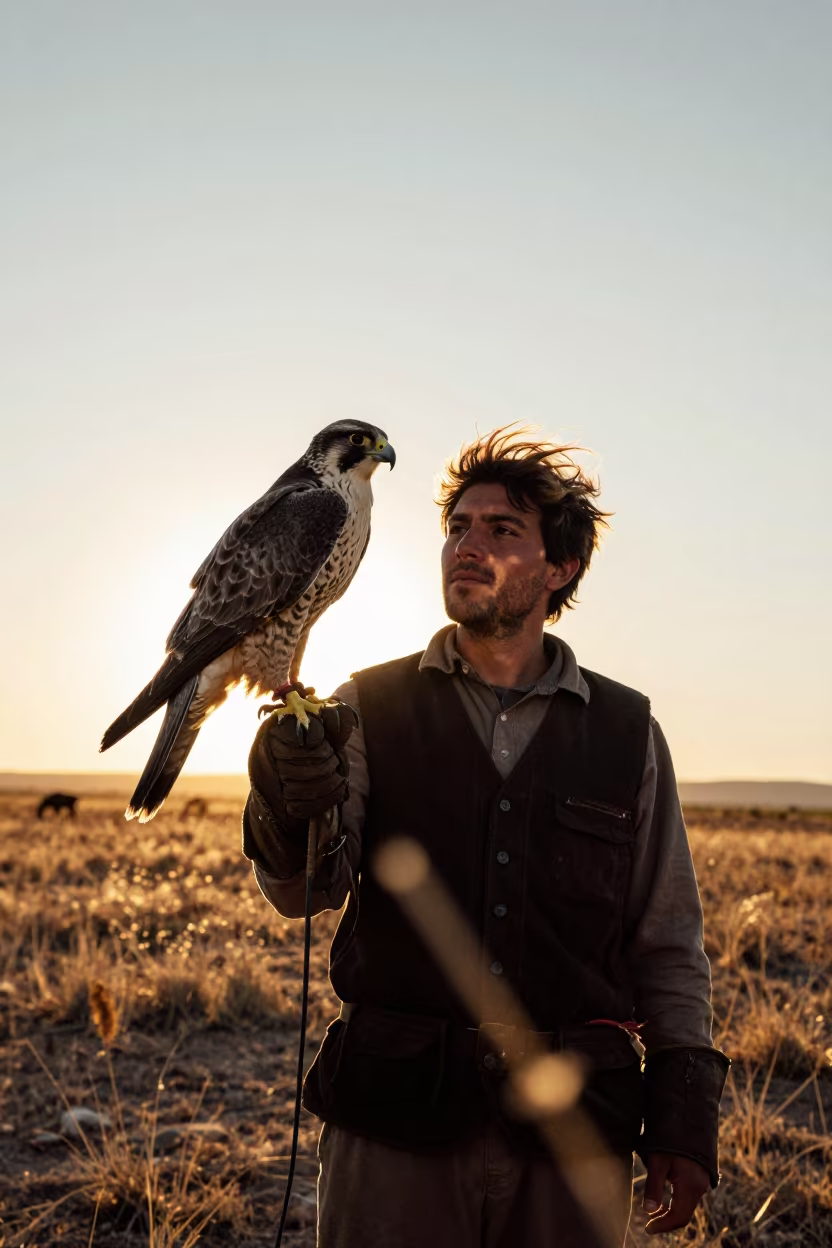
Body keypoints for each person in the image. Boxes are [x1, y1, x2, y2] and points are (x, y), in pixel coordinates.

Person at [243, 430, 730, 1248]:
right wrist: (281, 806)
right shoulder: (367, 704)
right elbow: (304, 891)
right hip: (395, 1130)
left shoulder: (627, 732)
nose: (467, 546)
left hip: (572, 1144)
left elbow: (669, 944)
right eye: (458, 527)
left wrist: (684, 1118)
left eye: (501, 530)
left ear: (561, 568)